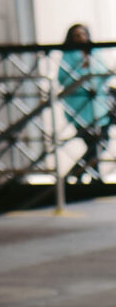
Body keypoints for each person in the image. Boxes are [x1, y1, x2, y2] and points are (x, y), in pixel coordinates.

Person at [59, 22, 111, 185]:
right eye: (76, 35)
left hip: (99, 105)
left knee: (101, 141)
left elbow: (103, 72)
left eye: (83, 35)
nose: (80, 38)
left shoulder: (95, 53)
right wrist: (82, 68)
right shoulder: (68, 56)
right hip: (79, 106)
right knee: (92, 142)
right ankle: (83, 174)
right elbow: (63, 78)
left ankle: (86, 175)